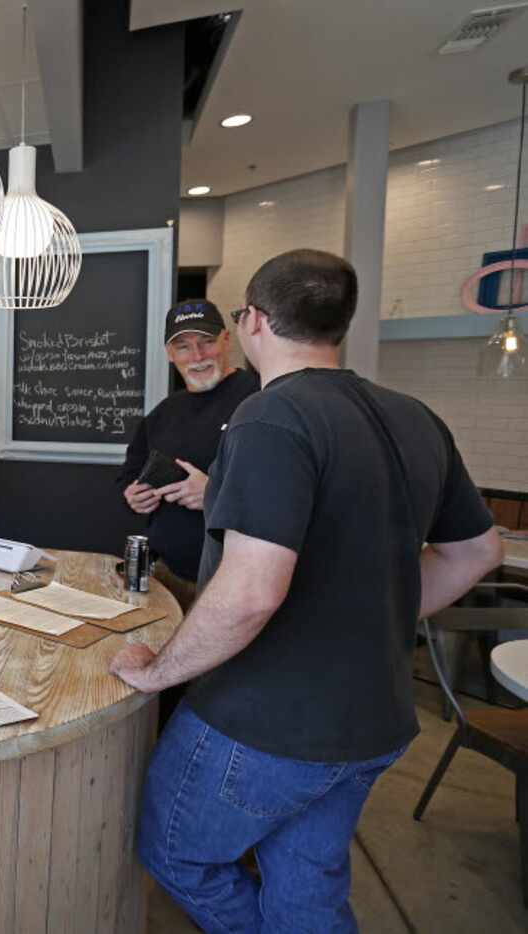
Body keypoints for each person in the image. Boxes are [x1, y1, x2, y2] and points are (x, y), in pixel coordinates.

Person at [108, 249, 503, 931]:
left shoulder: (269, 417)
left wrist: (157, 671)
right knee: (305, 879)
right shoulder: (414, 415)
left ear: (252, 322)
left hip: (271, 723)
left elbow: (252, 591)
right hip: (374, 719)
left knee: (176, 853)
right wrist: (370, 619)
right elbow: (477, 552)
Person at [118, 300, 259, 610]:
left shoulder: (259, 401)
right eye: (183, 347)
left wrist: (213, 492)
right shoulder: (163, 414)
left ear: (226, 339)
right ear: (170, 354)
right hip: (165, 579)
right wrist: (133, 496)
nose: (197, 357)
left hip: (232, 585)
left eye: (206, 342)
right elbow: (129, 476)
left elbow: (283, 493)